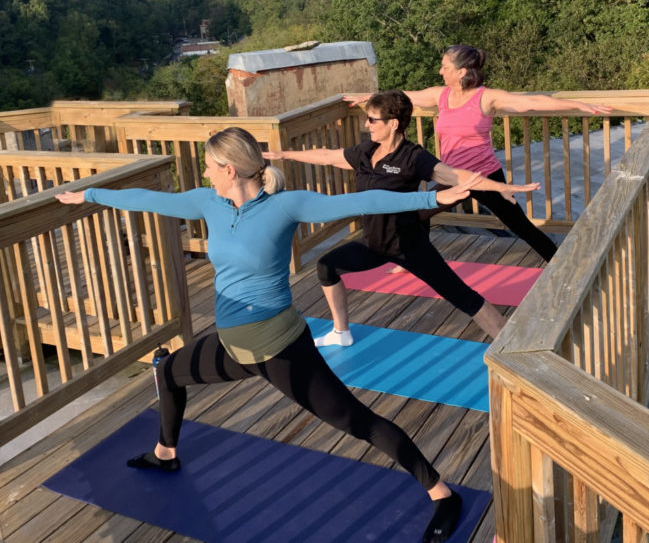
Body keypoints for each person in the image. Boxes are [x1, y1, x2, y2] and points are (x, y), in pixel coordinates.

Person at [55, 127, 477, 543]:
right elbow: (147, 199)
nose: (204, 174)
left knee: (356, 421)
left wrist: (433, 197)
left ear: (230, 169)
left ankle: (442, 493)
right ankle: (166, 453)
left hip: (279, 349)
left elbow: (362, 199)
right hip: (232, 346)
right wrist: (89, 195)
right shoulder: (210, 203)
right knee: (168, 372)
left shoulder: (284, 207)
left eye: (208, 167)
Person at [264, 89, 539, 347]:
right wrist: (282, 154)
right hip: (373, 243)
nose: (367, 124)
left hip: (409, 245)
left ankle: (510, 343)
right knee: (326, 266)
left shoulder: (413, 157)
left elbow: (454, 175)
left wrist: (500, 186)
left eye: (373, 119)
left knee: (462, 296)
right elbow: (328, 156)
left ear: (393, 124)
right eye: (367, 118)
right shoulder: (366, 152)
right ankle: (341, 332)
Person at [345, 45, 613, 264]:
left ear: (461, 72)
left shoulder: (486, 98)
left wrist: (580, 105)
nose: (440, 71)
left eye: (445, 67)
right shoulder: (441, 95)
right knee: (419, 212)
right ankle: (417, 259)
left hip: (485, 176)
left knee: (520, 226)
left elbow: (532, 103)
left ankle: (559, 264)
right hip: (453, 177)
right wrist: (372, 97)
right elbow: (402, 97)